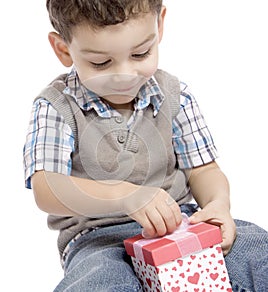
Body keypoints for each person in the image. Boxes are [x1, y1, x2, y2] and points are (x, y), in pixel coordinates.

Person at [23, 1, 268, 291]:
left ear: (159, 26)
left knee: (257, 251)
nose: (125, 75)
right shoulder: (56, 106)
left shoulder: (175, 96)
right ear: (63, 49)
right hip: (97, 238)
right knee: (100, 283)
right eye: (101, 63)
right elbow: (47, 187)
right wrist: (124, 196)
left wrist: (217, 204)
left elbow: (204, 170)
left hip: (181, 222)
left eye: (140, 53)